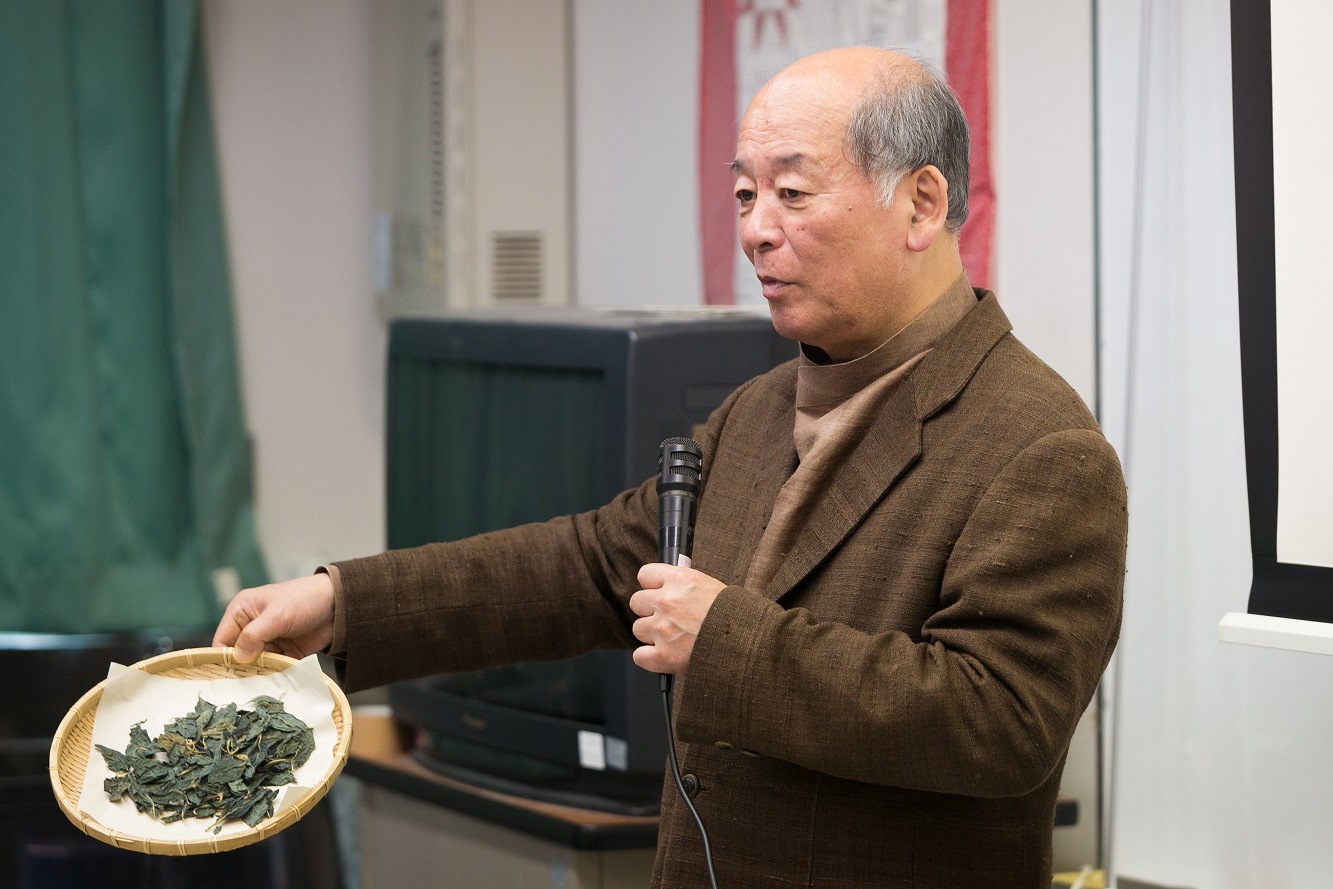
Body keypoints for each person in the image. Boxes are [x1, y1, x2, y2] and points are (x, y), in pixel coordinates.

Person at [215, 47, 1126, 889]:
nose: (757, 232)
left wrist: (727, 639)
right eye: (742, 196)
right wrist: (342, 603)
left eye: (793, 194)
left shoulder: (1037, 446)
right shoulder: (759, 408)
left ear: (921, 205)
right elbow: (589, 565)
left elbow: (999, 720)